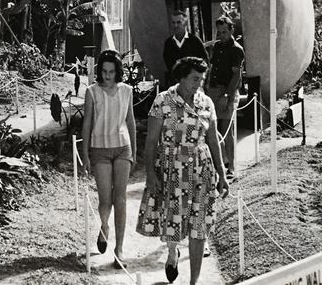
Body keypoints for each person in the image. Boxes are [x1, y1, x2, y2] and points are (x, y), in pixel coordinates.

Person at [136, 57, 229, 284]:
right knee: (174, 221)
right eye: (195, 79)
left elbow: (213, 140)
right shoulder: (163, 101)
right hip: (171, 169)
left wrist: (222, 172)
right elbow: (151, 143)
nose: (199, 84)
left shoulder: (206, 103)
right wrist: (150, 174)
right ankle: (172, 252)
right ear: (182, 77)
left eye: (202, 79)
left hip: (201, 170)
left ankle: (193, 282)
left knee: (199, 229)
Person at [81, 49, 137, 269]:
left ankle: (119, 249)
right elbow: (87, 123)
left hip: (123, 149)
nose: (107, 75)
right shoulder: (91, 91)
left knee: (120, 198)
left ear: (117, 72)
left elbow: (130, 121)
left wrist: (134, 150)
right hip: (100, 150)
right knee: (106, 199)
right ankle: (104, 227)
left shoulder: (127, 91)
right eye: (104, 71)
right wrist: (85, 153)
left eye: (111, 72)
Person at [205, 16, 245, 179]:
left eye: (224, 32)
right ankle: (215, 166)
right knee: (212, 130)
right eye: (219, 32)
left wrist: (227, 96)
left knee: (227, 130)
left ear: (231, 30)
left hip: (227, 91)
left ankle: (232, 166)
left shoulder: (236, 49)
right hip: (213, 91)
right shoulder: (217, 47)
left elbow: (236, 76)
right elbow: (212, 68)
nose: (221, 35)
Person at [162, 10, 209, 88]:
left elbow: (205, 62)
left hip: (193, 85)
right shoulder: (168, 43)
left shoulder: (195, 41)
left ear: (185, 24)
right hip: (176, 86)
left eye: (179, 22)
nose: (175, 25)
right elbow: (169, 65)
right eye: (173, 23)